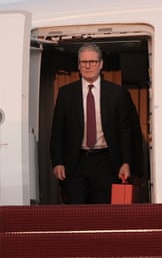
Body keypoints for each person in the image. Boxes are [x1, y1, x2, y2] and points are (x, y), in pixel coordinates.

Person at [50, 42, 132, 204]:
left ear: (100, 64)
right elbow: (58, 131)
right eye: (83, 62)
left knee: (103, 212)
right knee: (76, 211)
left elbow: (125, 130)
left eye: (92, 62)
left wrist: (126, 162)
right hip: (75, 162)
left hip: (106, 161)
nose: (88, 66)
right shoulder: (66, 93)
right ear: (78, 65)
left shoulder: (117, 93)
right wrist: (57, 162)